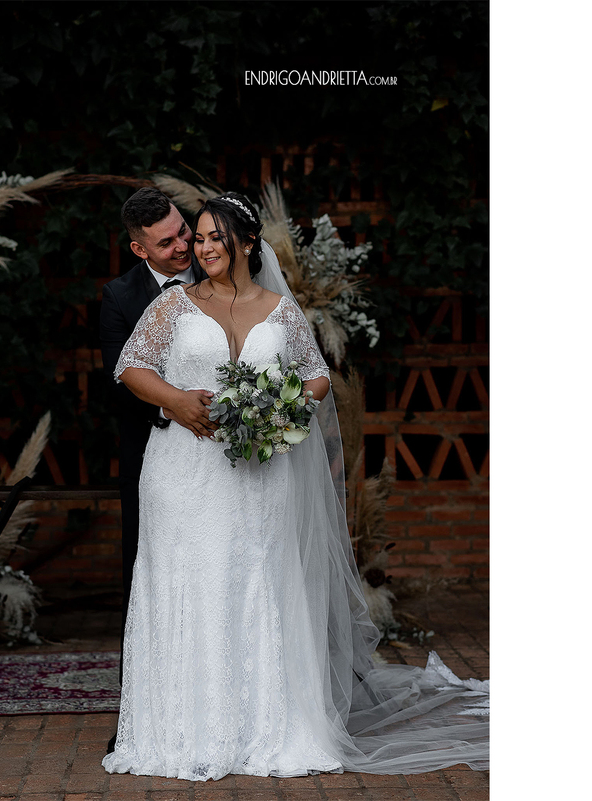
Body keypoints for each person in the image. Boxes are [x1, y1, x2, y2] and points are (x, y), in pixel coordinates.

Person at [101, 192, 489, 781]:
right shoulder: (173, 305)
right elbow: (130, 367)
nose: (201, 248)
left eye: (213, 237)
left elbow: (315, 377)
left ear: (246, 243)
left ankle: (266, 726)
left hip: (259, 476)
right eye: (197, 238)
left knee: (258, 581)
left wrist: (278, 408)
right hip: (183, 471)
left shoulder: (280, 310)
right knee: (189, 583)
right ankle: (182, 729)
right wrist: (177, 399)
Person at [98, 187, 208, 752]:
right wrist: (173, 406)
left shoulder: (223, 272)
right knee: (148, 580)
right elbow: (117, 385)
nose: (184, 246)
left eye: (183, 231)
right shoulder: (119, 296)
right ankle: (140, 716)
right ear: (140, 249)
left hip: (226, 456)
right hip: (156, 456)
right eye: (167, 243)